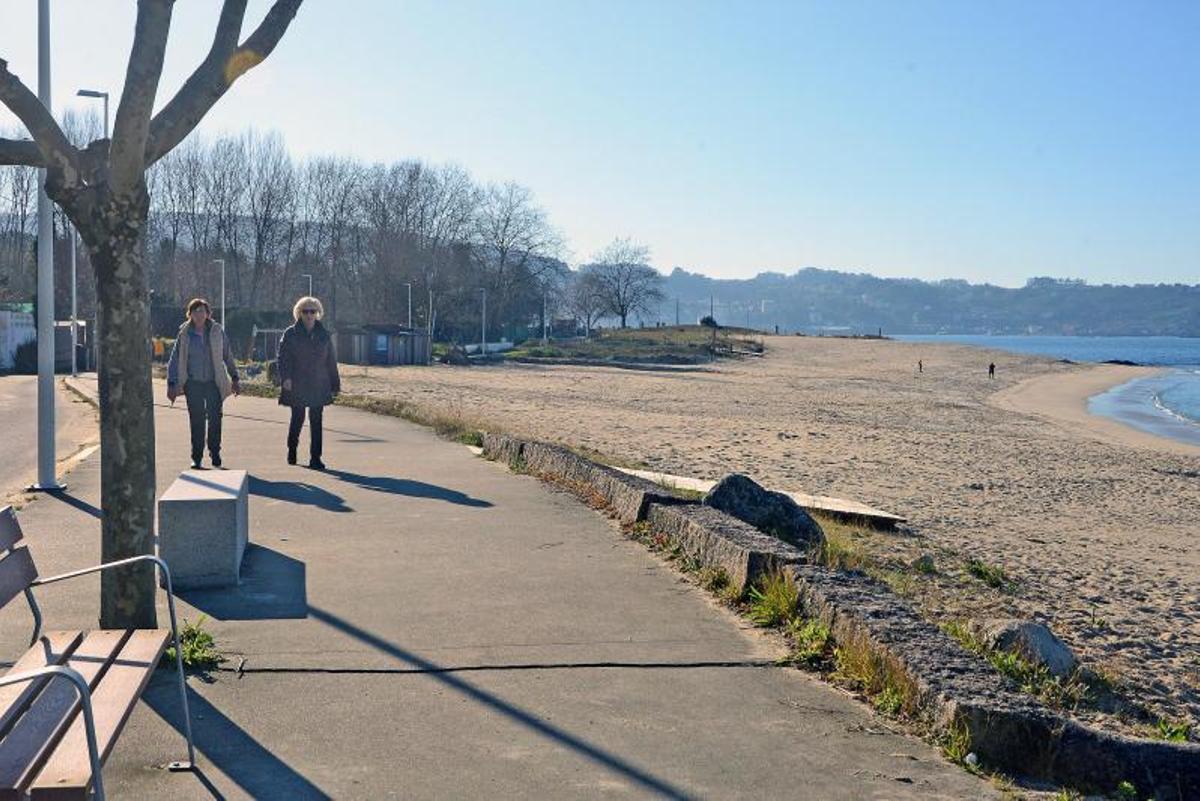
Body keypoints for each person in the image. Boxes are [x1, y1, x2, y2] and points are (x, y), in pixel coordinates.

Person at [166, 298, 240, 469]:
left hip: (214, 382)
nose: (199, 315)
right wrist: (171, 383)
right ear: (190, 314)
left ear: (208, 314)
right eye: (195, 311)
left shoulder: (217, 331)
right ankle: (196, 457)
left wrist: (235, 378)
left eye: (202, 311)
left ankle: (215, 452)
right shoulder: (184, 334)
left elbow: (227, 355)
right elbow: (175, 359)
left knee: (215, 418)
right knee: (197, 420)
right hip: (193, 383)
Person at [278, 296, 340, 469]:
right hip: (297, 382)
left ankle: (315, 457)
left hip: (318, 383)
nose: (309, 315)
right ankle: (292, 449)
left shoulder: (324, 335)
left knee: (316, 420)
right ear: (299, 313)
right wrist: (286, 378)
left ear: (318, 313)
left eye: (313, 311)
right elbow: (283, 358)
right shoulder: (290, 334)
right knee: (298, 417)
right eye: (305, 311)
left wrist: (335, 384)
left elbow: (331, 361)